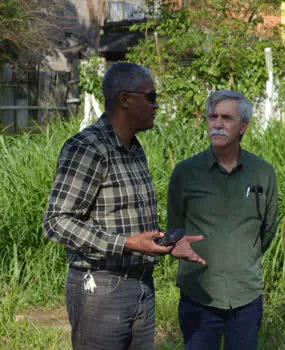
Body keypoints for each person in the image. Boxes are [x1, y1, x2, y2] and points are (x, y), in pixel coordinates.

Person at [43, 62, 192, 350]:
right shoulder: (88, 147)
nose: (157, 106)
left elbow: (128, 223)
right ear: (125, 100)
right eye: (151, 97)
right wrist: (126, 244)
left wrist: (166, 245)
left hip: (141, 285)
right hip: (101, 288)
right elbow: (56, 221)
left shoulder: (135, 149)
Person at [167, 90, 278, 350]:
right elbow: (175, 227)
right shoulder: (186, 172)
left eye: (227, 118)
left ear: (244, 126)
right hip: (198, 296)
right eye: (212, 117)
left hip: (246, 296)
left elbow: (268, 228)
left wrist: (242, 258)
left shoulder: (262, 173)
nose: (217, 123)